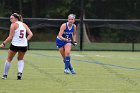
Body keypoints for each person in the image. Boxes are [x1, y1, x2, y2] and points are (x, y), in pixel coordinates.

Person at [0, 13, 33, 80]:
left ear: (16, 19)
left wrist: (3, 43)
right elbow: (31, 34)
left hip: (15, 45)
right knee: (20, 59)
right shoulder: (24, 24)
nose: (10, 19)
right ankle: (19, 74)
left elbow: (10, 37)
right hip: (24, 46)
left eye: (11, 18)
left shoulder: (13, 25)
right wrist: (25, 40)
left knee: (9, 59)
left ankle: (5, 75)